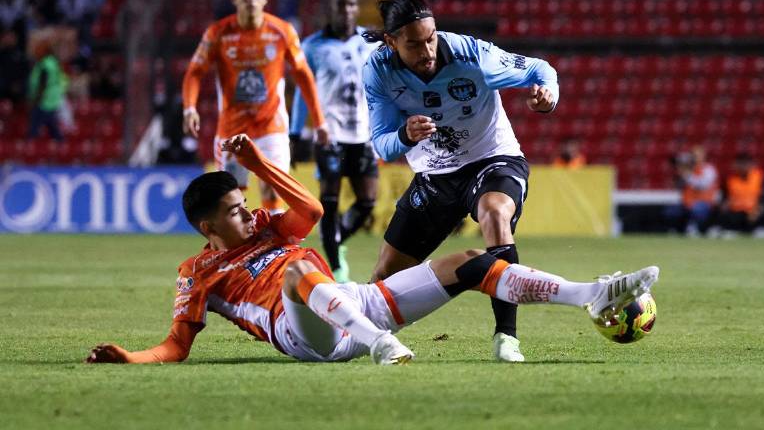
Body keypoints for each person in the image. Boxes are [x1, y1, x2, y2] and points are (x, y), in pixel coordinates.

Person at [85, 134, 660, 366]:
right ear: (207, 226)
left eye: (245, 203)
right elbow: (176, 346)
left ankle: (592, 294)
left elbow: (308, 214)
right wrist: (132, 359)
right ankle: (379, 344)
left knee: (469, 263)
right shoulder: (198, 271)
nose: (248, 213)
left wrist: (261, 167)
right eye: (235, 211)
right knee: (294, 275)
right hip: (301, 333)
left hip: (348, 301)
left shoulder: (263, 226)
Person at [362, 0, 559, 362]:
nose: (428, 50)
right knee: (383, 278)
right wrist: (405, 135)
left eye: (431, 38)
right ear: (391, 42)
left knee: (495, 214)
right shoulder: (379, 70)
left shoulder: (472, 55)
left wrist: (548, 97)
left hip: (492, 157)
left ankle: (506, 337)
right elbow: (383, 146)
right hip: (435, 174)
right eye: (414, 44)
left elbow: (540, 69)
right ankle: (360, 338)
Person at [182, 0, 328, 212]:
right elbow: (194, 72)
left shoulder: (282, 31)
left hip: (271, 128)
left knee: (272, 189)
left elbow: (303, 75)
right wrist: (189, 108)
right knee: (231, 199)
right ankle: (240, 250)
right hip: (232, 129)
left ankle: (276, 249)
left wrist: (320, 121)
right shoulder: (217, 33)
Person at [290, 0, 380, 282]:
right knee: (329, 197)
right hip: (329, 133)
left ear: (357, 8)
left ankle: (335, 238)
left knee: (367, 201)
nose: (347, 11)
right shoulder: (312, 46)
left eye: (352, 5)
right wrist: (295, 133)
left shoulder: (369, 42)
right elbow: (304, 92)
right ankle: (336, 268)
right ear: (331, 8)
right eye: (341, 5)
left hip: (363, 134)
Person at [666, 145, 718, 235]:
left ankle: (696, 227)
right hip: (687, 202)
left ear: (703, 156)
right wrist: (680, 173)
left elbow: (702, 185)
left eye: (697, 155)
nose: (695, 158)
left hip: (704, 203)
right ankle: (677, 229)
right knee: (670, 211)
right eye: (693, 155)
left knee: (696, 209)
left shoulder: (709, 169)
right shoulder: (688, 169)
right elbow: (678, 186)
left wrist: (688, 175)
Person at [717, 153, 764, 236]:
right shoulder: (729, 179)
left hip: (754, 213)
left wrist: (758, 211)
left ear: (752, 164)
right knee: (722, 213)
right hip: (736, 212)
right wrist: (724, 205)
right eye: (741, 163)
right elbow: (724, 198)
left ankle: (761, 228)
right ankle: (728, 229)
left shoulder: (760, 177)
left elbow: (763, 198)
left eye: (746, 163)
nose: (743, 166)